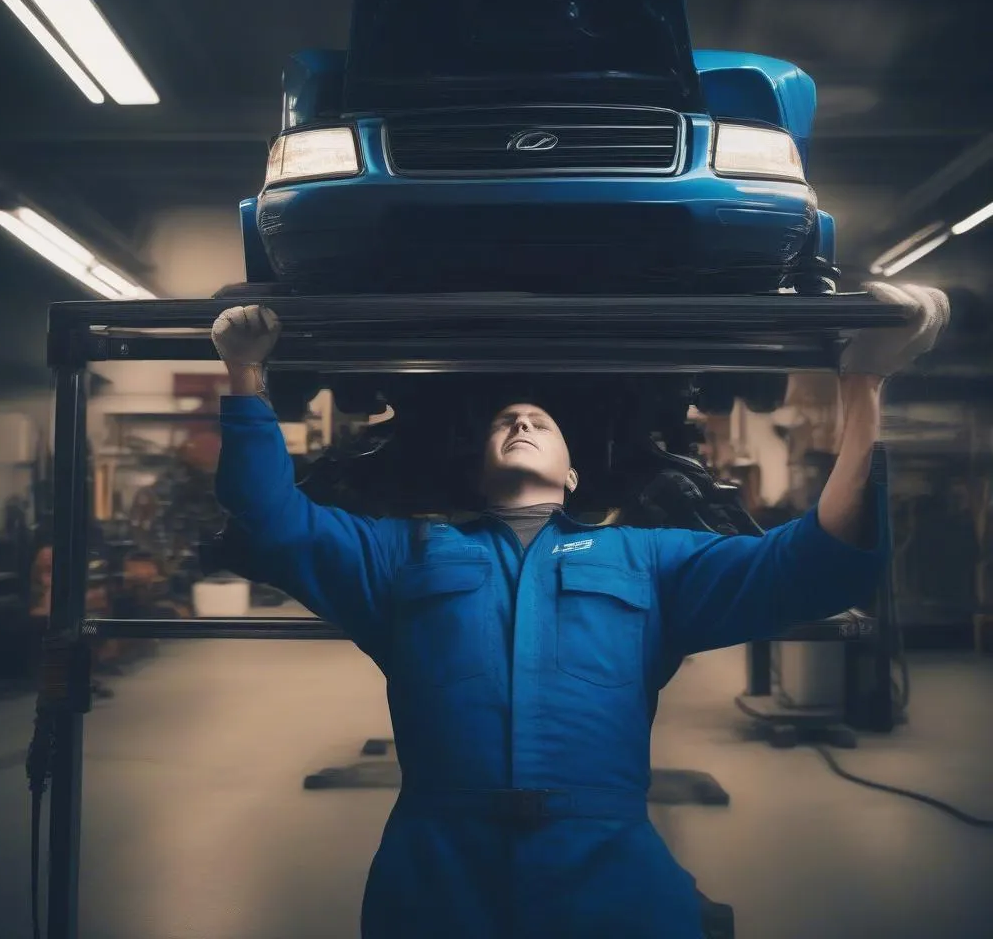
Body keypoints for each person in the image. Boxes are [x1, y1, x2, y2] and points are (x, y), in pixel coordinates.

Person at [211, 283, 948, 939]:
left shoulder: (650, 559)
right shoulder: (401, 553)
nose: (523, 419)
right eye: (507, 418)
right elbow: (272, 517)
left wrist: (865, 379)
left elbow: (814, 564)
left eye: (540, 419)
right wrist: (244, 372)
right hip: (435, 873)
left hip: (610, 870)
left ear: (573, 473)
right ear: (476, 470)